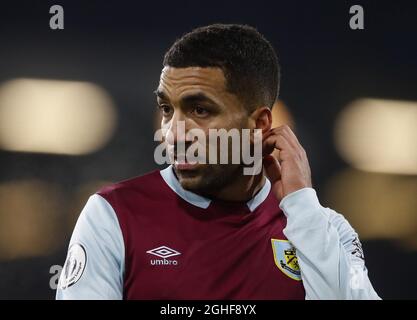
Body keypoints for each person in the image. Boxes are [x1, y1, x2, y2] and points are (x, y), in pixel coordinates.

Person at [56, 24, 380, 300]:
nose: (174, 134)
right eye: (167, 110)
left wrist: (303, 207)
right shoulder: (112, 216)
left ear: (259, 125)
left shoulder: (326, 230)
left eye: (200, 111)